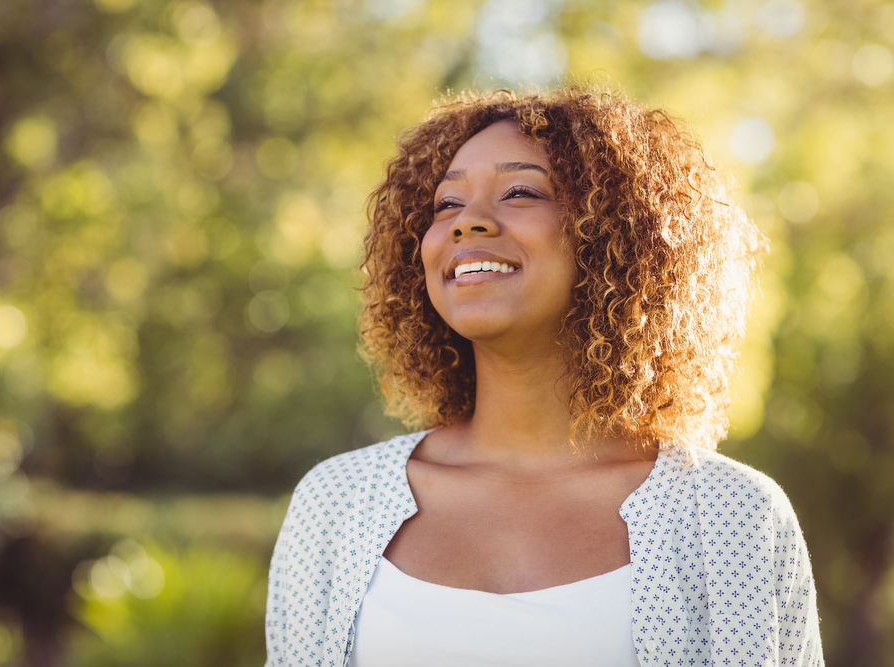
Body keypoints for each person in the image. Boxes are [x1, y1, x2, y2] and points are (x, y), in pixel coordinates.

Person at [265, 88, 823, 666]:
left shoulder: (728, 517)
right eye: (446, 204)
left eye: (520, 192)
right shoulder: (336, 503)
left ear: (613, 234)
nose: (467, 224)